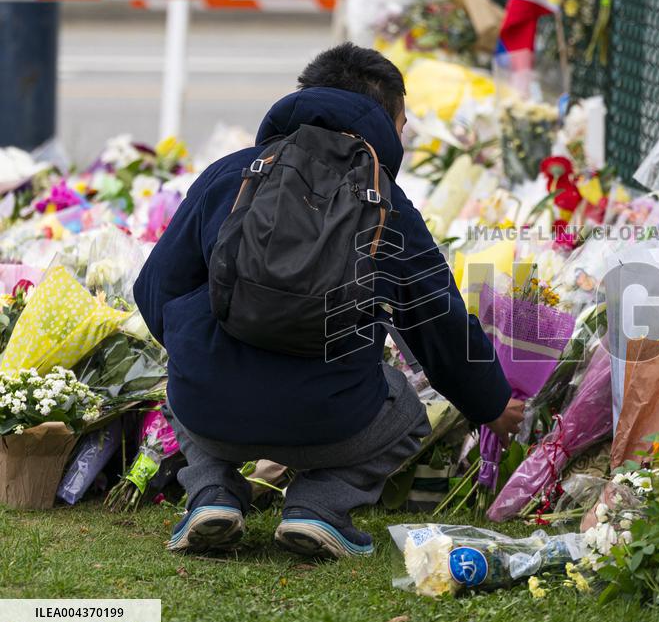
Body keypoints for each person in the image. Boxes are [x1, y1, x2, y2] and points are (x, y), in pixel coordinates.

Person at [134, 43, 523, 558]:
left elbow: (154, 287)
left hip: (211, 415)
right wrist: (490, 403)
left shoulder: (232, 174)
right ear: (382, 116)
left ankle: (211, 492)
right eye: (403, 125)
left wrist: (199, 350)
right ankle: (318, 507)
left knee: (185, 371)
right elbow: (438, 322)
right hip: (331, 424)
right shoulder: (387, 202)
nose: (402, 138)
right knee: (407, 408)